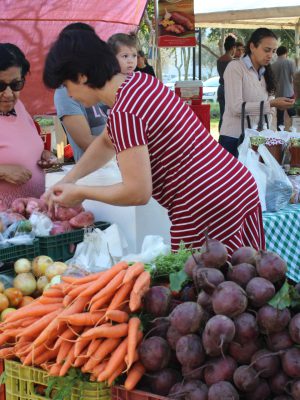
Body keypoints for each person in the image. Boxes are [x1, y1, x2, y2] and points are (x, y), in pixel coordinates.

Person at [43, 29, 266, 255]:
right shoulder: (140, 83)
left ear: (81, 76)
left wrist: (82, 193)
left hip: (205, 205)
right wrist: (68, 180)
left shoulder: (124, 111)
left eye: (65, 85)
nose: (68, 95)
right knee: (249, 277)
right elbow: (105, 142)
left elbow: (138, 191)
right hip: (236, 185)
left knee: (213, 284)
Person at [219, 28, 295, 157]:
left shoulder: (266, 72)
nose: (270, 55)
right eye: (267, 50)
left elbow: (269, 108)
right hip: (234, 138)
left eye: (273, 51)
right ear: (252, 47)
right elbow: (236, 108)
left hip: (258, 140)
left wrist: (268, 132)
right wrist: (271, 104)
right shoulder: (235, 67)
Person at [0, 43, 57, 209]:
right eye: (0, 86)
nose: (9, 94)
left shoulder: (18, 106)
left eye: (16, 84)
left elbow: (30, 145)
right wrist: (2, 171)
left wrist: (46, 156)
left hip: (34, 215)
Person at [54, 23, 108, 162]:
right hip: (96, 174)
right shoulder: (64, 91)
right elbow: (86, 142)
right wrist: (130, 144)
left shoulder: (105, 81)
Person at [271, 45, 296, 129]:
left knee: (280, 118)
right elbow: (295, 78)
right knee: (293, 115)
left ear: (277, 53)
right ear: (286, 53)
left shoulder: (272, 65)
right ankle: (295, 133)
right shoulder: (290, 62)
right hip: (289, 92)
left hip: (278, 94)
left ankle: (280, 136)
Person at [217, 34, 237, 130]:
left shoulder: (219, 60)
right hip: (229, 90)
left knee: (222, 115)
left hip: (221, 88)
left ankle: (220, 136)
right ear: (233, 47)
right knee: (229, 116)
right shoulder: (232, 62)